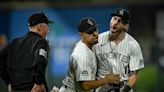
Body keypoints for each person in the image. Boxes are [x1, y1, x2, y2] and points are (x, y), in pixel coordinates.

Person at [59, 17, 120, 92]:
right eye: (90, 32)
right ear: (81, 35)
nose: (95, 34)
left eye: (95, 29)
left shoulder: (90, 45)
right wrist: (106, 80)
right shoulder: (83, 55)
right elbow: (85, 86)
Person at [93, 9, 144, 92]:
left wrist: (125, 90)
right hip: (102, 88)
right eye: (114, 18)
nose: (115, 22)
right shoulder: (97, 41)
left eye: (119, 21)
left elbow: (134, 75)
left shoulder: (133, 45)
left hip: (123, 87)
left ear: (126, 26)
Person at [0, 12, 53, 92]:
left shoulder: (14, 42)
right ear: (40, 27)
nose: (48, 30)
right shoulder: (41, 42)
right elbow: (40, 61)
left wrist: (8, 82)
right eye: (47, 27)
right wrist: (38, 83)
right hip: (34, 89)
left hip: (15, 89)